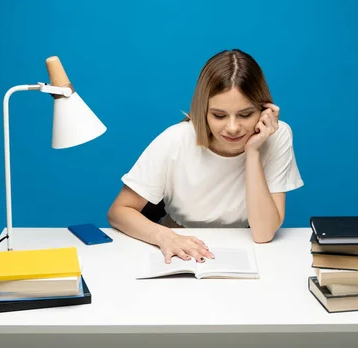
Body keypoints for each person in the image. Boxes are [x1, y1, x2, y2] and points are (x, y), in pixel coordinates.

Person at [107, 48, 304, 263]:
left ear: (264, 110)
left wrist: (253, 151)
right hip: (179, 249)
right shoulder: (176, 139)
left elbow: (264, 233)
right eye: (219, 115)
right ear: (203, 110)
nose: (232, 128)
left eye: (245, 115)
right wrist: (165, 237)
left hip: (242, 249)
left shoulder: (277, 135)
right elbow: (119, 211)